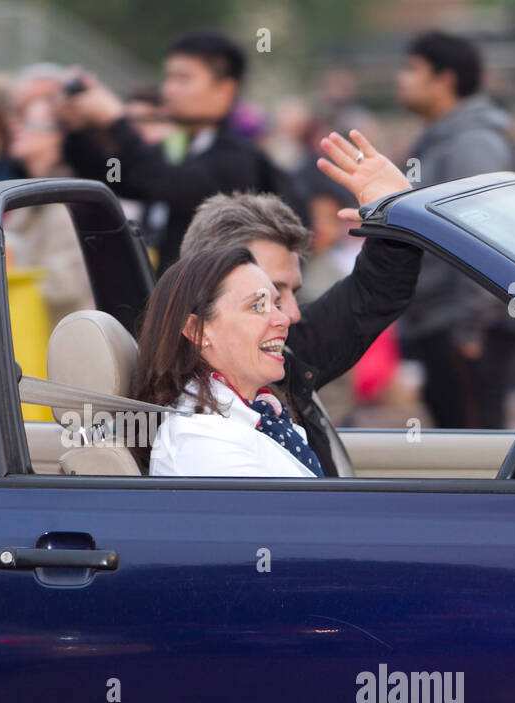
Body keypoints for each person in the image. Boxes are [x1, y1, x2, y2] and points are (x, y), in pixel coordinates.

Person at [174, 130, 421, 476]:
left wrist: (395, 214)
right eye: (264, 297)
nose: (290, 314)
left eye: (291, 293)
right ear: (200, 319)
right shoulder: (198, 435)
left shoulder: (286, 355)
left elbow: (375, 294)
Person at [60, 30, 305, 271]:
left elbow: (168, 183)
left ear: (225, 90)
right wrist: (76, 128)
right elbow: (116, 178)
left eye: (183, 79)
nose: (169, 90)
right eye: (168, 78)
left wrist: (115, 120)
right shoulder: (186, 149)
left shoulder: (238, 160)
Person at [393, 31, 515, 428]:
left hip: (464, 329)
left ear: (445, 79)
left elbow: (486, 238)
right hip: (446, 322)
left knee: (475, 450)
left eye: (412, 69)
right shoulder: (444, 139)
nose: (401, 78)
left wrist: (471, 328)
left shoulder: (471, 143)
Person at [134, 246, 320, 477]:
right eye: (257, 306)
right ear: (197, 331)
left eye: (277, 305)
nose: (283, 319)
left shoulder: (261, 416)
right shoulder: (201, 440)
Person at [5, 95, 95, 326]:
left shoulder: (65, 205)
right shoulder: (32, 198)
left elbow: (67, 285)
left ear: (58, 136)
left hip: (63, 340)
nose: (17, 128)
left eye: (29, 122)